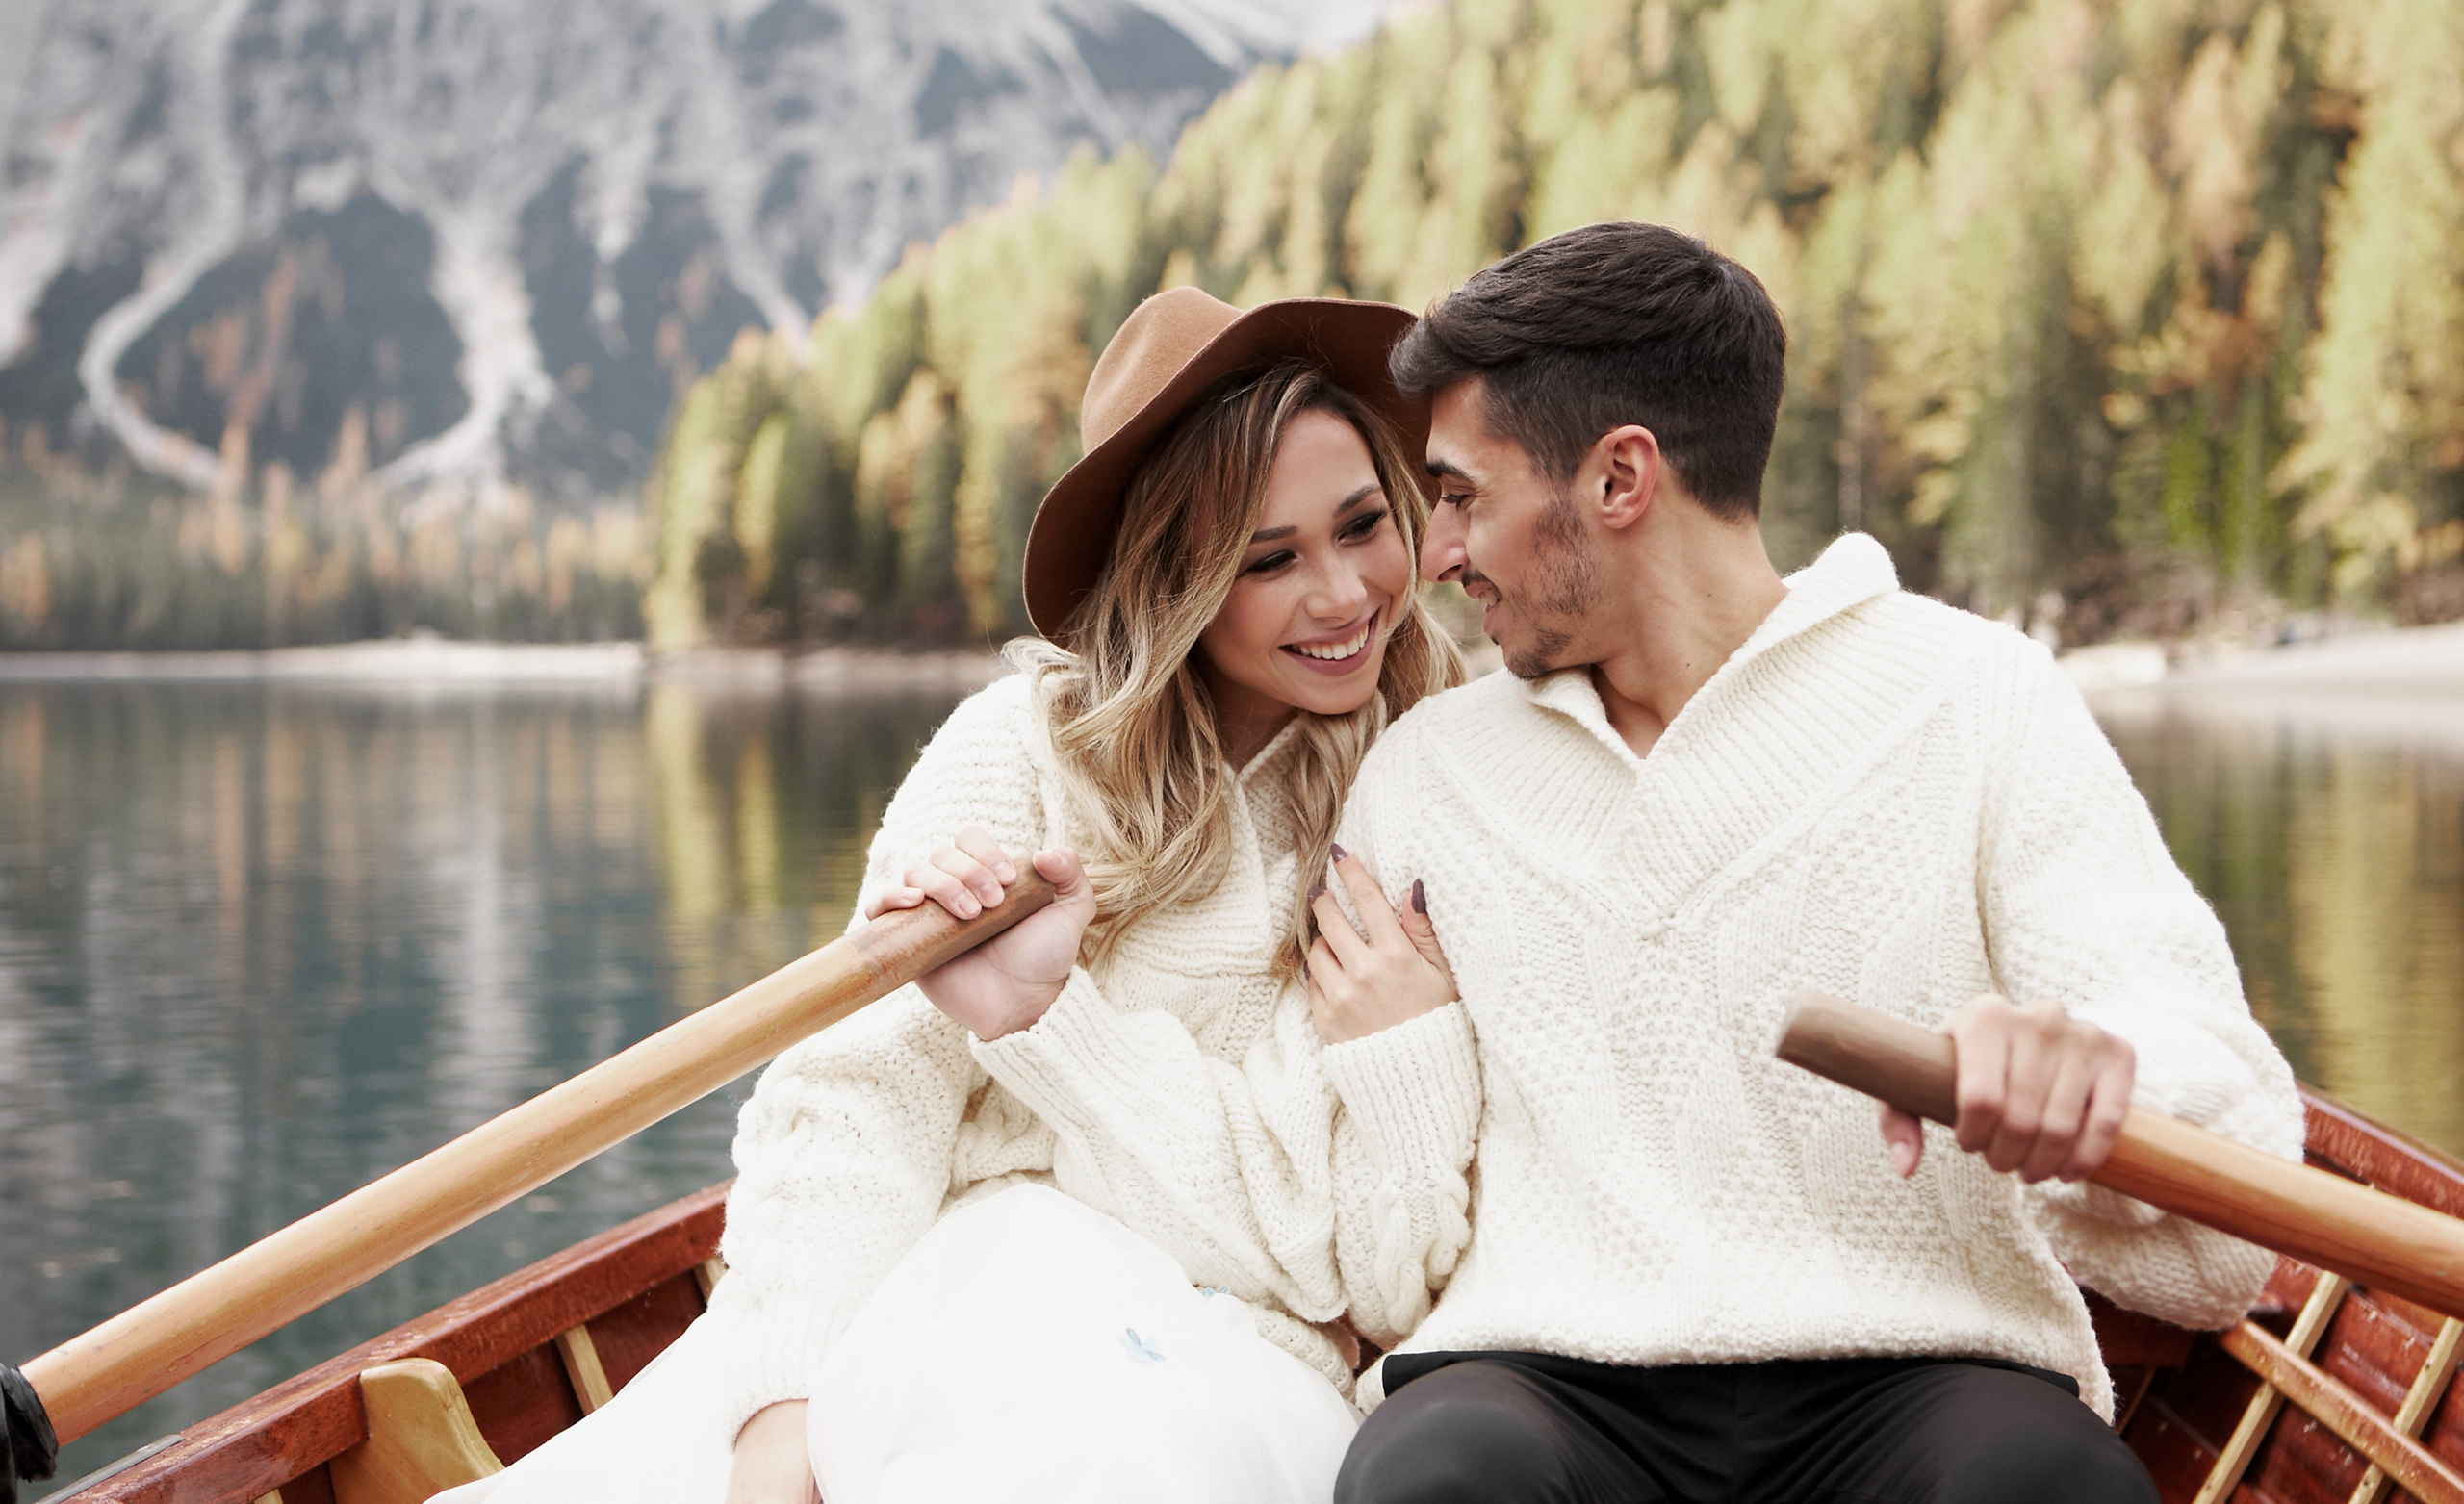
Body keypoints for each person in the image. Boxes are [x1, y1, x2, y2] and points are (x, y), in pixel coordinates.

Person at [1318, 221, 2304, 1503]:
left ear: (1621, 478)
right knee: (1434, 1476)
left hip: (1925, 1372)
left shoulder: (1976, 694)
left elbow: (2229, 1222)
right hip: (1542, 1378)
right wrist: (1397, 1063)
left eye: (1461, 495)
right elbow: (1382, 1279)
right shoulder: (1422, 772)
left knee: (2047, 1489)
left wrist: (2096, 1076)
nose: (1439, 554)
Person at [449, 286, 1476, 1504]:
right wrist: (781, 1404)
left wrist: (1050, 1027)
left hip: (1231, 1374)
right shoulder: (1019, 751)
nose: (1345, 594)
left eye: (1363, 526)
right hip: (951, 1301)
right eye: (1270, 561)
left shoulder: (1433, 785)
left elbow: (1347, 1271)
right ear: (1176, 581)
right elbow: (860, 1103)